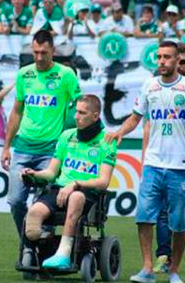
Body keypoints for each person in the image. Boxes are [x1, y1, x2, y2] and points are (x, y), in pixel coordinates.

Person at [105, 41, 185, 283]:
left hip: (181, 165)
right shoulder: (149, 86)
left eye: (167, 57)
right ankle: (147, 269)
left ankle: (174, 270)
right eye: (159, 57)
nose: (161, 61)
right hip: (153, 164)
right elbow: (135, 118)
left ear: (178, 60)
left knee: (178, 223)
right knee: (144, 217)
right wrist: (119, 132)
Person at [21, 95, 117, 269]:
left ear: (95, 116)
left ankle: (63, 254)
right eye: (76, 112)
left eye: (82, 113)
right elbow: (51, 173)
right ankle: (43, 246)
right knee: (34, 212)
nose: (76, 116)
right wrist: (35, 174)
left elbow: (103, 182)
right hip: (59, 190)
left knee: (76, 197)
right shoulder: (67, 135)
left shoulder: (107, 141)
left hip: (87, 194)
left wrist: (76, 184)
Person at [1, 30, 82, 236]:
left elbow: (80, 107)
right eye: (35, 52)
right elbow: (17, 111)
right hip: (23, 148)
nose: (38, 57)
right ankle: (28, 240)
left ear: (53, 51)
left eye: (43, 53)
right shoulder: (24, 74)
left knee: (44, 204)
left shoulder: (66, 75)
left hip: (51, 150)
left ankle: (42, 247)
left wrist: (74, 143)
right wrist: (7, 147)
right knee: (16, 201)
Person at [150, 43, 185, 274]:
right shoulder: (159, 88)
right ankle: (163, 254)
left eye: (182, 62)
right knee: (162, 210)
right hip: (168, 160)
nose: (178, 65)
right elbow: (150, 123)